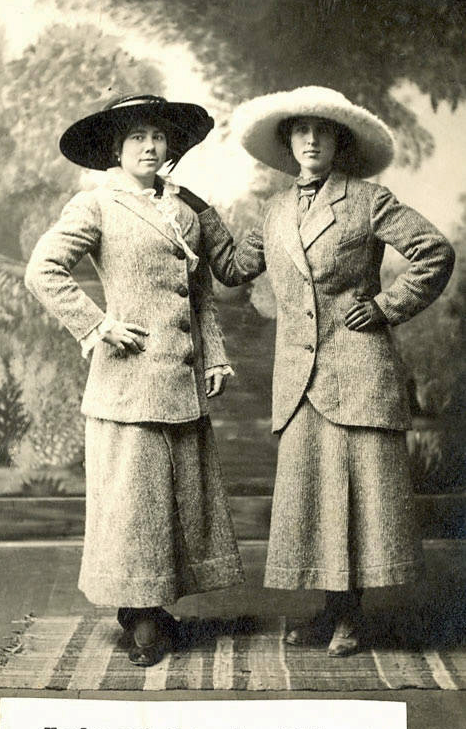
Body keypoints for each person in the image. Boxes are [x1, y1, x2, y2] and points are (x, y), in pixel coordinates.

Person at [179, 85, 455, 657]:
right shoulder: (274, 211)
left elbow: (434, 251)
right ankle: (330, 608)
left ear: (338, 142)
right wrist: (201, 211)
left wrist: (383, 306)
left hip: (357, 371)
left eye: (321, 131)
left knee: (355, 497)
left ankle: (351, 615)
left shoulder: (368, 200)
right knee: (319, 500)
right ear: (287, 143)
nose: (310, 140)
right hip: (299, 381)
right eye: (300, 131)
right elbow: (233, 267)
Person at [25, 94, 243, 667]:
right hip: (128, 386)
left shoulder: (186, 211)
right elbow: (42, 269)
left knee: (174, 504)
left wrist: (215, 356)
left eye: (158, 137)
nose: (150, 147)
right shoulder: (97, 205)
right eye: (137, 138)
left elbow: (201, 297)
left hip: (183, 380)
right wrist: (98, 324)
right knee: (135, 507)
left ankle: (152, 607)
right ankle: (142, 618)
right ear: (116, 150)